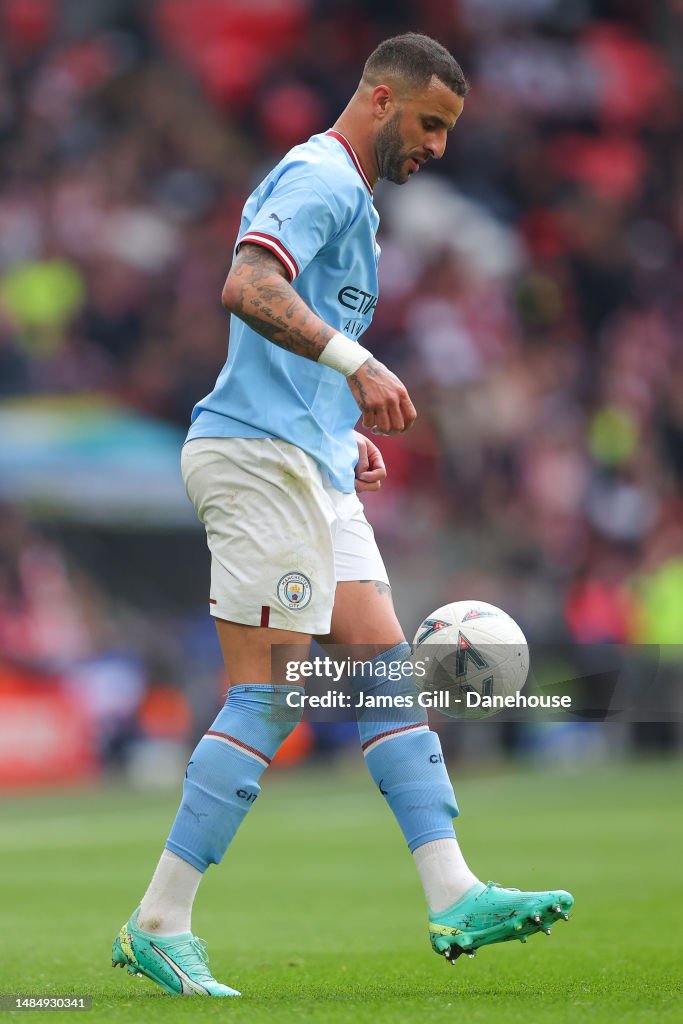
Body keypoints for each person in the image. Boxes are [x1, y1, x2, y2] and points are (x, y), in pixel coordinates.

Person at [111, 32, 573, 997]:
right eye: (430, 124)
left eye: (449, 130)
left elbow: (288, 342)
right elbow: (246, 283)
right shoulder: (320, 177)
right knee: (272, 692)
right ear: (378, 99)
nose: (440, 147)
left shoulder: (354, 203)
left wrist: (335, 422)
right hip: (255, 460)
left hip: (306, 458)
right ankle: (160, 919)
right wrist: (354, 365)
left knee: (381, 663)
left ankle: (452, 889)